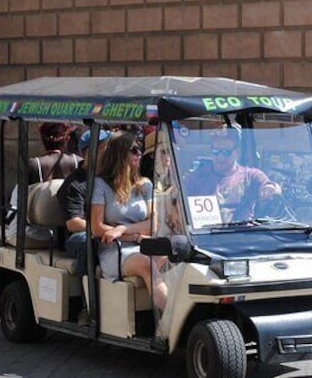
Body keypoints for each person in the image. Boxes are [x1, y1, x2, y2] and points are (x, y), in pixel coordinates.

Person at [90, 131, 168, 312]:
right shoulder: (101, 185)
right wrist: (133, 235)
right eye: (134, 150)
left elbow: (153, 224)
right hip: (115, 250)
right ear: (119, 154)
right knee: (147, 264)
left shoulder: (145, 184)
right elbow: (97, 227)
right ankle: (171, 323)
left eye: (140, 149)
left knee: (175, 256)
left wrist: (122, 229)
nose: (139, 154)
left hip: (142, 244)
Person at [183, 126, 281, 223]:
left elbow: (273, 187)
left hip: (240, 236)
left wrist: (271, 188)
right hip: (205, 236)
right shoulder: (197, 177)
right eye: (215, 152)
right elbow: (177, 195)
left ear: (237, 152)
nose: (220, 157)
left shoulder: (250, 176)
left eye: (226, 152)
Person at [57, 129, 111, 279]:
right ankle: (87, 297)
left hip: (110, 230)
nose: (110, 154)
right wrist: (103, 229)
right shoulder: (74, 184)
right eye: (106, 148)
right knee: (89, 243)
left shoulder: (113, 178)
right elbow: (73, 223)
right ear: (89, 152)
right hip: (82, 235)